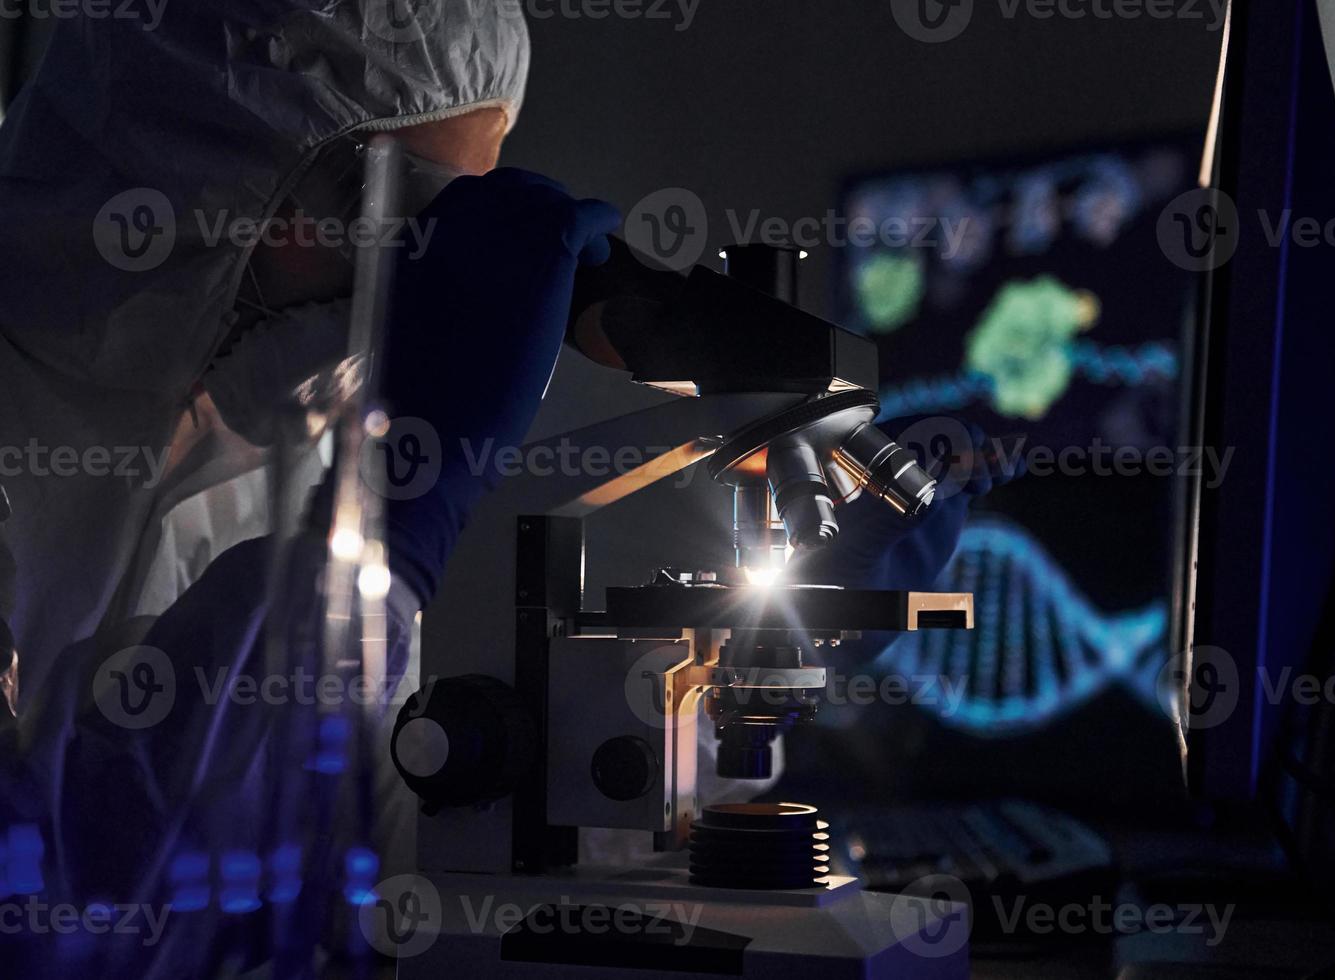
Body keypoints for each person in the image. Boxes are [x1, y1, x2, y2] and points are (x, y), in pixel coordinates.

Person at [0, 2, 1006, 974]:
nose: (426, 265)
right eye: (400, 204)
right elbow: (55, 918)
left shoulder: (303, 442)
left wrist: (762, 659)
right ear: (195, 162)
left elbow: (387, 856)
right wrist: (386, 533)